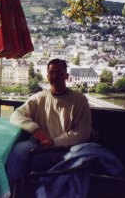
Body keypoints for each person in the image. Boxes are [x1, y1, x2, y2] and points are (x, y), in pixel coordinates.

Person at [6, 58, 93, 186]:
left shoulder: (79, 100)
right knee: (18, 151)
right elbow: (16, 115)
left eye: (59, 73)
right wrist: (35, 129)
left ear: (66, 76)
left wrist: (55, 142)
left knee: (78, 161)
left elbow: (83, 132)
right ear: (47, 76)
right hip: (40, 149)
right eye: (52, 73)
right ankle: (12, 190)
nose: (55, 76)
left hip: (65, 151)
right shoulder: (39, 98)